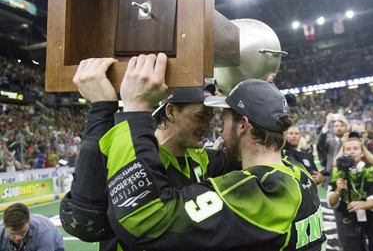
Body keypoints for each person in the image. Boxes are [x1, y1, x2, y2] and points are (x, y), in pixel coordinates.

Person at [96, 53, 326, 250]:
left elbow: (144, 221)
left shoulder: (264, 191)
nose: (216, 130)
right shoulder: (298, 172)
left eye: (224, 121)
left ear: (243, 125)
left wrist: (135, 108)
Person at [59, 58, 239, 250]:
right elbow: (82, 222)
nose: (207, 126)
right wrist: (101, 109)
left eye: (211, 118)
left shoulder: (200, 158)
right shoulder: (125, 154)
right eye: (201, 116)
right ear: (170, 111)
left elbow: (251, 156)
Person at [327, 136, 373, 251]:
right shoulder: (337, 171)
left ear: (362, 153)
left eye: (355, 148)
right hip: (347, 217)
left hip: (370, 216)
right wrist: (338, 190)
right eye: (347, 149)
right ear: (342, 153)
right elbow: (331, 202)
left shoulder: (370, 170)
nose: (352, 151)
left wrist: (361, 205)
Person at [0, 202, 64, 251]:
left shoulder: (43, 231)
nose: (18, 238)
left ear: (28, 222)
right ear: (4, 225)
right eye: (13, 233)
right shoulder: (0, 231)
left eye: (22, 232)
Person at [317, 112, 349, 186]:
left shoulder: (351, 141)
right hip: (331, 178)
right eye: (336, 126)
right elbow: (320, 142)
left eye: (342, 125)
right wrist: (327, 123)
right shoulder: (329, 142)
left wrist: (346, 122)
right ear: (333, 129)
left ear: (346, 128)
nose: (339, 128)